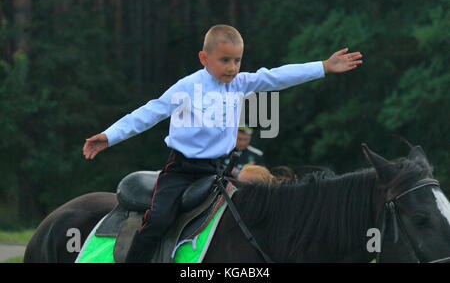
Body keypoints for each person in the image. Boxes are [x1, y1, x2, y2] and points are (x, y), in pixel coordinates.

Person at [82, 24, 363, 262]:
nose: (232, 67)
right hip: (181, 172)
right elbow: (149, 112)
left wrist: (323, 67)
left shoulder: (239, 83)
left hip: (220, 170)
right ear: (204, 58)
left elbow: (277, 76)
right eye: (225, 60)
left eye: (237, 60)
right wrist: (109, 136)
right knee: (159, 221)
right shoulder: (187, 87)